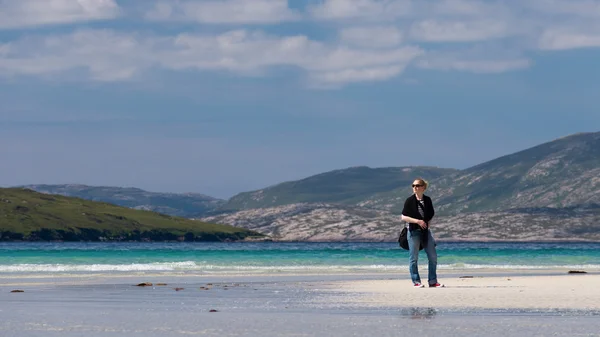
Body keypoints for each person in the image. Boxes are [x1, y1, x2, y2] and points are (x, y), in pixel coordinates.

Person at [401, 178, 444, 288]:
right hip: (413, 231)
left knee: (433, 256)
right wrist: (417, 221)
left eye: (418, 185)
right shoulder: (409, 201)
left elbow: (430, 214)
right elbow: (403, 216)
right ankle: (416, 281)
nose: (415, 187)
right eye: (413, 185)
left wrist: (428, 222)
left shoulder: (428, 200)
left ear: (423, 187)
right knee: (414, 257)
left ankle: (433, 281)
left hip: (425, 232)